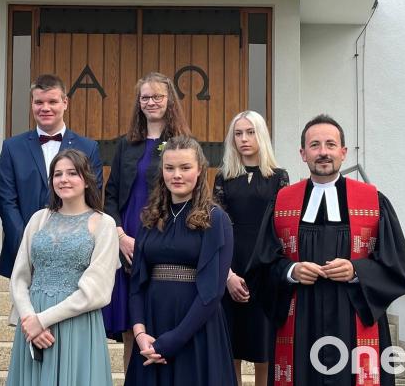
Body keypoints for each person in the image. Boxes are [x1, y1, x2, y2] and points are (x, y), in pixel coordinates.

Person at [248, 114, 405, 386]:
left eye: (330, 144)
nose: (323, 152)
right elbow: (260, 265)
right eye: (315, 145)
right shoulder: (282, 202)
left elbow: (397, 267)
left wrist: (357, 270)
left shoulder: (373, 200)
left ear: (343, 152)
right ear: (303, 154)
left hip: (353, 316)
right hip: (301, 320)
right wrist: (291, 270)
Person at [125, 135, 237, 386]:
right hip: (152, 328)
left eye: (185, 167)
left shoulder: (216, 219)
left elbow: (212, 292)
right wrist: (141, 334)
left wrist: (174, 340)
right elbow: (136, 285)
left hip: (196, 330)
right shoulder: (149, 219)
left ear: (199, 170)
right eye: (169, 168)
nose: (177, 175)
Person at [6, 149, 119, 386]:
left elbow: (97, 289)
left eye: (72, 173)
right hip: (33, 321)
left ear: (87, 180)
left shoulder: (104, 224)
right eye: (58, 174)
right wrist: (30, 320)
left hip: (75, 323)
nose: (64, 179)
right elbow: (19, 277)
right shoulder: (39, 219)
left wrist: (43, 320)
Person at [102, 72, 190, 370]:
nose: (151, 102)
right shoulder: (127, 145)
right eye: (145, 97)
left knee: (162, 318)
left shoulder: (181, 144)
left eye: (157, 97)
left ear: (169, 101)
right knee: (131, 326)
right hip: (127, 238)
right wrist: (118, 234)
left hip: (165, 235)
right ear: (138, 103)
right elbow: (110, 193)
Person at [0, 74, 103, 278]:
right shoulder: (12, 147)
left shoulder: (88, 148)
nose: (45, 108)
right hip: (22, 254)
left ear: (65, 103)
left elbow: (93, 199)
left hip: (73, 255)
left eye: (52, 101)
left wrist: (69, 247)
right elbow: (7, 201)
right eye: (39, 102)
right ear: (32, 104)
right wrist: (27, 245)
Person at [213, 110, 288, 386]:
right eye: (238, 133)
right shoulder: (223, 178)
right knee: (232, 344)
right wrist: (227, 275)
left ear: (261, 135)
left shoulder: (278, 177)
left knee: (263, 347)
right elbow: (217, 229)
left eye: (250, 132)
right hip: (231, 266)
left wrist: (269, 270)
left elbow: (282, 228)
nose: (244, 139)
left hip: (265, 267)